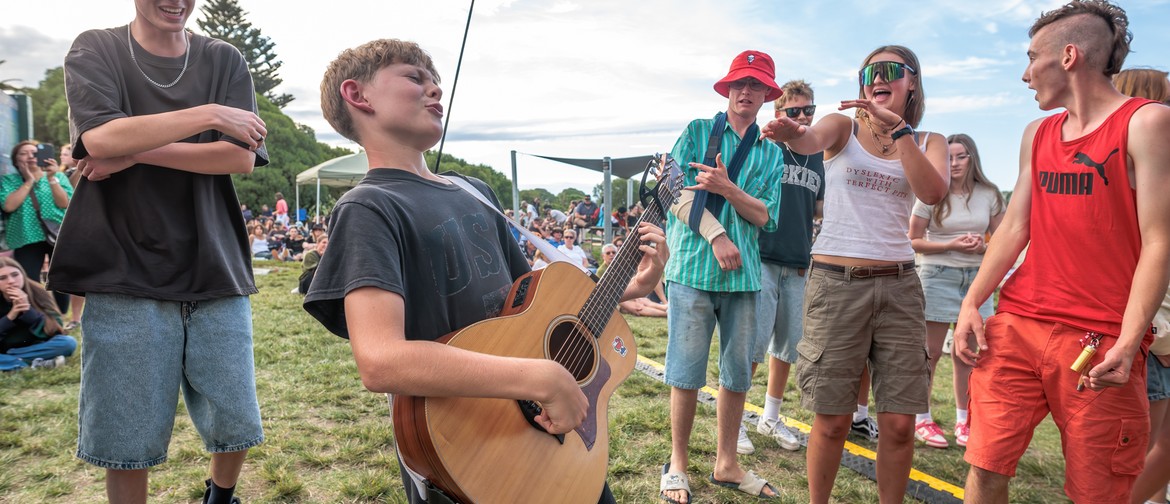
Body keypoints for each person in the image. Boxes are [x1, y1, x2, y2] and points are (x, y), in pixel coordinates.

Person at [302, 38, 668, 504]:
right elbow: (381, 361)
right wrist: (540, 378)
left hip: (546, 432)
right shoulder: (368, 207)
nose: (436, 89)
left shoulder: (473, 190)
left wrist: (630, 287)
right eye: (415, 77)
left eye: (436, 80)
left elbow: (531, 305)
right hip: (467, 447)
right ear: (358, 95)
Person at [952, 2, 1170, 503]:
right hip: (1019, 324)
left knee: (1098, 492)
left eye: (1032, 58)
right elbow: (1014, 227)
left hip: (1100, 340)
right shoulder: (1038, 133)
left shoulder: (1147, 122)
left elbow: (1160, 240)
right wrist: (972, 303)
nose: (1025, 73)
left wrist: (1129, 341)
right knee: (985, 467)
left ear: (1068, 56)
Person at [54, 1, 270, 501]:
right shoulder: (97, 47)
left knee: (235, 413)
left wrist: (133, 152)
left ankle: (221, 496)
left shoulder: (223, 58)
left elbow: (239, 157)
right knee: (126, 435)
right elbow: (99, 137)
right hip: (121, 263)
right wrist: (211, 114)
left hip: (213, 258)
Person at [763, 44, 949, 504]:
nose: (877, 78)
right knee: (832, 421)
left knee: (900, 424)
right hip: (836, 283)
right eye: (868, 72)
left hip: (900, 286)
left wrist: (899, 130)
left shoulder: (930, 141)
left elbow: (932, 192)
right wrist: (792, 133)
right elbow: (809, 140)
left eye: (889, 70)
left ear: (912, 81)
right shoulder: (842, 126)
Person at [660, 50, 785, 503]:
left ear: (767, 94)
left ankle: (726, 463)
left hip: (744, 277)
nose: (745, 91)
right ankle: (677, 463)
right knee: (685, 372)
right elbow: (672, 191)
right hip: (692, 268)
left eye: (755, 85)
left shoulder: (772, 153)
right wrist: (716, 235)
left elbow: (765, 216)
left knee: (736, 375)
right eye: (739, 83)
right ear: (728, 89)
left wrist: (727, 188)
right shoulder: (697, 131)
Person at [907, 133, 1005, 449]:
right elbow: (913, 240)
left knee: (970, 354)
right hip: (937, 276)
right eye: (949, 157)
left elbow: (1002, 239)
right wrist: (951, 244)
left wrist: (983, 246)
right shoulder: (931, 191)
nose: (954, 163)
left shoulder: (990, 194)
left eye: (961, 156)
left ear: (972, 158)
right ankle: (922, 418)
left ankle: (965, 421)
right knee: (930, 352)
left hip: (977, 280)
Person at [749, 79, 826, 453]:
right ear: (778, 113)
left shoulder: (819, 155)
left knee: (786, 348)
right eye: (794, 110)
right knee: (752, 344)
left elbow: (820, 209)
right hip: (762, 256)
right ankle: (734, 418)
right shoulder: (765, 147)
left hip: (797, 261)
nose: (803, 117)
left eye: (809, 109)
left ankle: (770, 416)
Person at [1111, 66, 1170, 504]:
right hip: (1151, 332)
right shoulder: (1141, 176)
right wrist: (1162, 333)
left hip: (1150, 329)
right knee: (1134, 455)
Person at [2, 141, 73, 312]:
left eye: (34, 153)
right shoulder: (9, 180)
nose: (30, 156)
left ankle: (60, 315)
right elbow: (9, 206)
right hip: (25, 237)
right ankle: (35, 315)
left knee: (60, 278)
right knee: (28, 279)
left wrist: (52, 178)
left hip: (57, 235)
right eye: (23, 153)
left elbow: (64, 203)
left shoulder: (58, 176)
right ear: (15, 160)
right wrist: (29, 181)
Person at [0, 257, 76, 372]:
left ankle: (13, 361)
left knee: (68, 343)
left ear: (22, 274)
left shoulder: (38, 291)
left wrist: (28, 310)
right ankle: (35, 363)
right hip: (3, 346)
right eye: (2, 278)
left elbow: (55, 327)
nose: (11, 281)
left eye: (15, 275)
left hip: (35, 346)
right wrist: (11, 316)